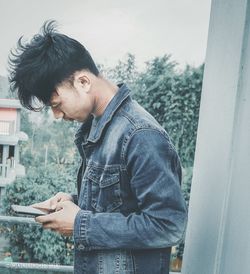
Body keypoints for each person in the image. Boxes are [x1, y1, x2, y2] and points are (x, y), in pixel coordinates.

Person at [9, 20, 188, 274]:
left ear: (83, 82)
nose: (57, 116)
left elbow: (168, 224)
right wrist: (72, 201)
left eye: (57, 104)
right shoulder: (98, 129)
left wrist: (80, 223)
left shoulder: (141, 135)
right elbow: (121, 201)